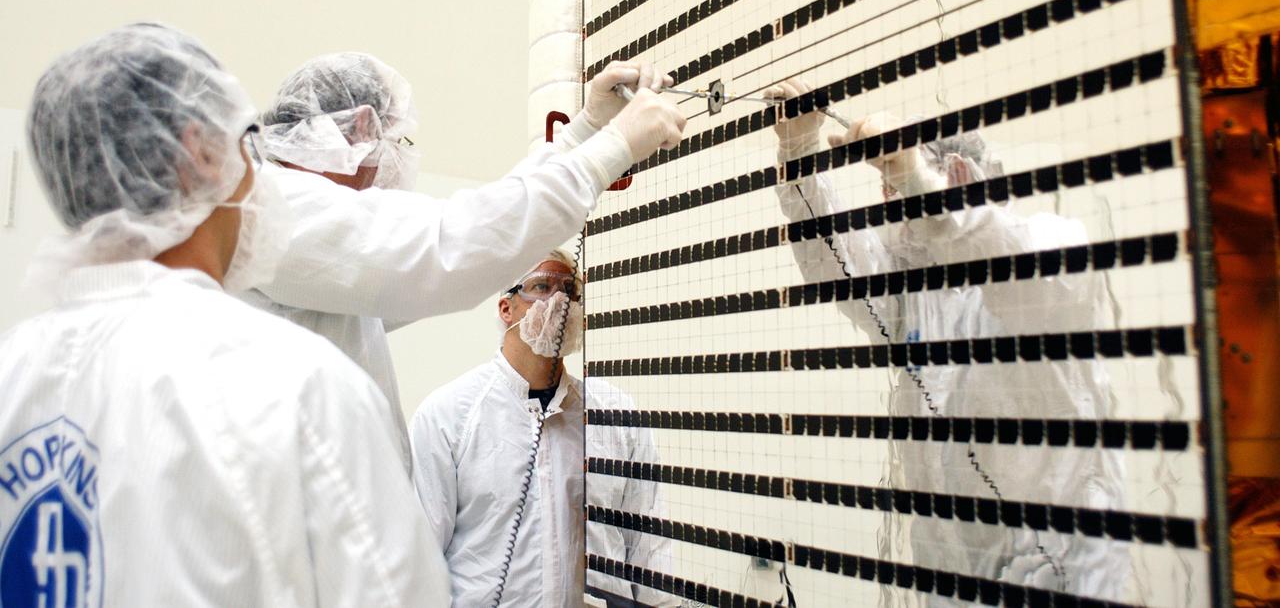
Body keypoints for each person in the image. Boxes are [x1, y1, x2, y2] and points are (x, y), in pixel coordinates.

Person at [0, 24, 450, 606]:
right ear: (200, 153)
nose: (258, 170)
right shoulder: (296, 386)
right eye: (247, 142)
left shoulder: (14, 373)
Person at [765, 78, 1128, 604]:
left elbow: (1008, 264)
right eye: (889, 186)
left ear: (958, 175)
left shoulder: (1054, 247)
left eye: (896, 187)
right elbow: (840, 261)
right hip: (952, 568)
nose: (889, 201)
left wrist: (918, 182)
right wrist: (799, 154)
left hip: (1061, 565)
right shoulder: (918, 293)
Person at [242, 53, 686, 467]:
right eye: (399, 140)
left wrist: (585, 131)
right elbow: (456, 245)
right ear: (361, 128)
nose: (400, 160)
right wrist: (612, 148)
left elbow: (481, 235)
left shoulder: (306, 230)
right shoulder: (281, 211)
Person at [409, 251, 674, 607]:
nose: (560, 301)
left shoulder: (616, 415)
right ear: (506, 308)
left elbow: (648, 545)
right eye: (542, 287)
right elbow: (421, 558)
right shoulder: (449, 416)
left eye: (570, 290)